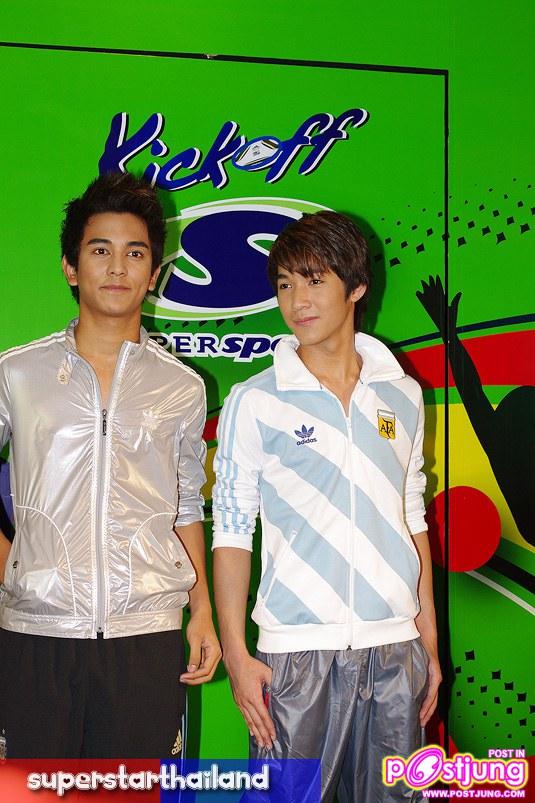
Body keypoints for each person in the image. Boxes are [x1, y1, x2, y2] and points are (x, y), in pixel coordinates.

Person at [212, 211, 441, 801]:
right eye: (285, 284)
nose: (297, 301)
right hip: (295, 654)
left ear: (356, 286)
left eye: (314, 281)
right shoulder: (254, 400)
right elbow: (232, 533)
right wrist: (236, 653)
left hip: (395, 649)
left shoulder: (403, 394)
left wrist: (428, 643)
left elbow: (411, 515)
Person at [0, 172, 221, 759]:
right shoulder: (17, 374)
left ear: (154, 275)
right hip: (36, 635)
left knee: (130, 794)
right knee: (33, 795)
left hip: (146, 634)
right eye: (100, 251)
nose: (118, 267)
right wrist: (11, 568)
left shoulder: (182, 387)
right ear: (71, 267)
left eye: (135, 253)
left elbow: (186, 505)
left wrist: (201, 610)